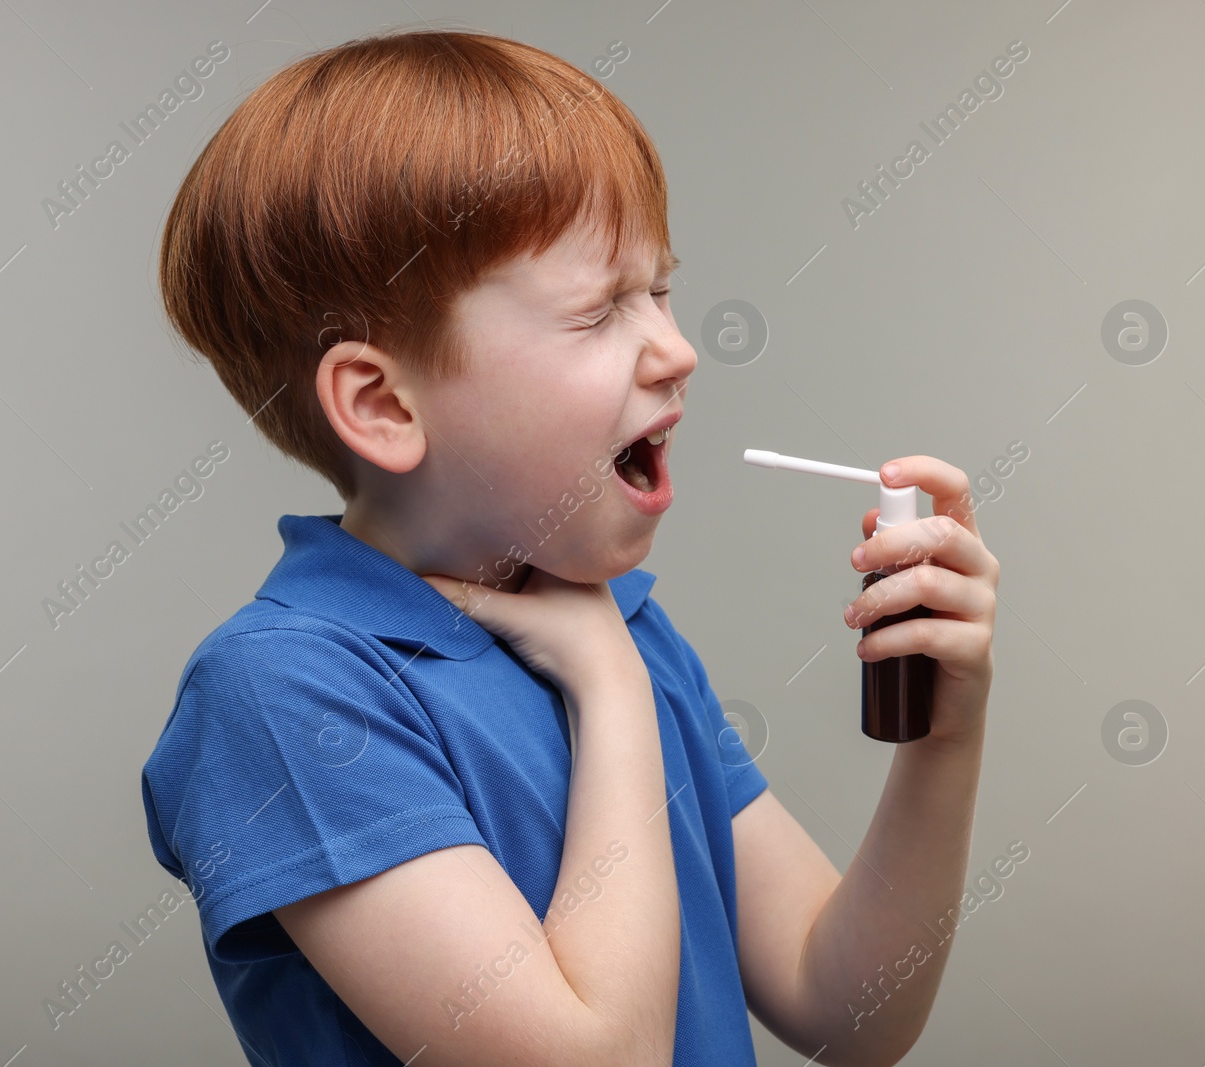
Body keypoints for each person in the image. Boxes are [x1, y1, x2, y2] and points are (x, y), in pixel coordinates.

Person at [139, 25, 999, 1067]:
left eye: (660, 289)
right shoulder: (285, 694)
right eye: (598, 311)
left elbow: (850, 1012)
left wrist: (942, 743)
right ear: (381, 402)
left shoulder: (625, 624)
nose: (678, 349)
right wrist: (607, 681)